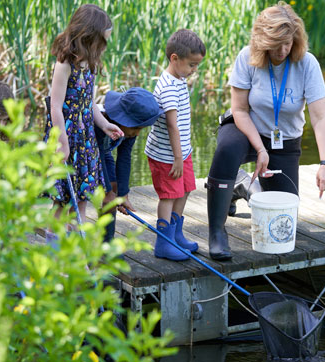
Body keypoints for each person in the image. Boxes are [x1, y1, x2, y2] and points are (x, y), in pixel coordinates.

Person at [207, 2, 325, 261]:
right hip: (246, 128)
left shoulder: (307, 64)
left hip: (284, 139)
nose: (283, 50)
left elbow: (320, 116)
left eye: (288, 43)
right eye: (276, 44)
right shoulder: (247, 57)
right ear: (263, 39)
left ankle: (243, 186)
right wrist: (260, 148)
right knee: (227, 150)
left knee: (282, 220)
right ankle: (217, 232)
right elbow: (240, 110)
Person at [44, 4, 123, 233]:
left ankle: (75, 259)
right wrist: (62, 143)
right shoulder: (64, 64)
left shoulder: (90, 64)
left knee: (82, 197)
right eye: (102, 42)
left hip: (85, 139)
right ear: (87, 37)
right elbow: (55, 106)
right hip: (65, 137)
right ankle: (54, 258)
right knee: (62, 201)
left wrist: (105, 124)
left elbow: (88, 102)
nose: (103, 48)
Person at [145, 29, 206, 261]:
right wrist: (177, 158)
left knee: (186, 188)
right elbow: (172, 125)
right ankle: (163, 243)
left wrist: (183, 154)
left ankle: (176, 234)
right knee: (169, 195)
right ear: (174, 58)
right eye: (191, 65)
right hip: (167, 155)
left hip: (182, 151)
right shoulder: (168, 87)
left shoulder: (178, 79)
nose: (194, 70)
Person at [95, 87, 163, 242]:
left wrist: (123, 194)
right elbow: (96, 157)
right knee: (106, 194)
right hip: (86, 154)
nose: (137, 133)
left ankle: (106, 244)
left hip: (103, 152)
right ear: (121, 118)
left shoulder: (128, 131)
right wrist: (107, 193)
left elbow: (124, 158)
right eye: (136, 128)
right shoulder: (100, 123)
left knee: (114, 189)